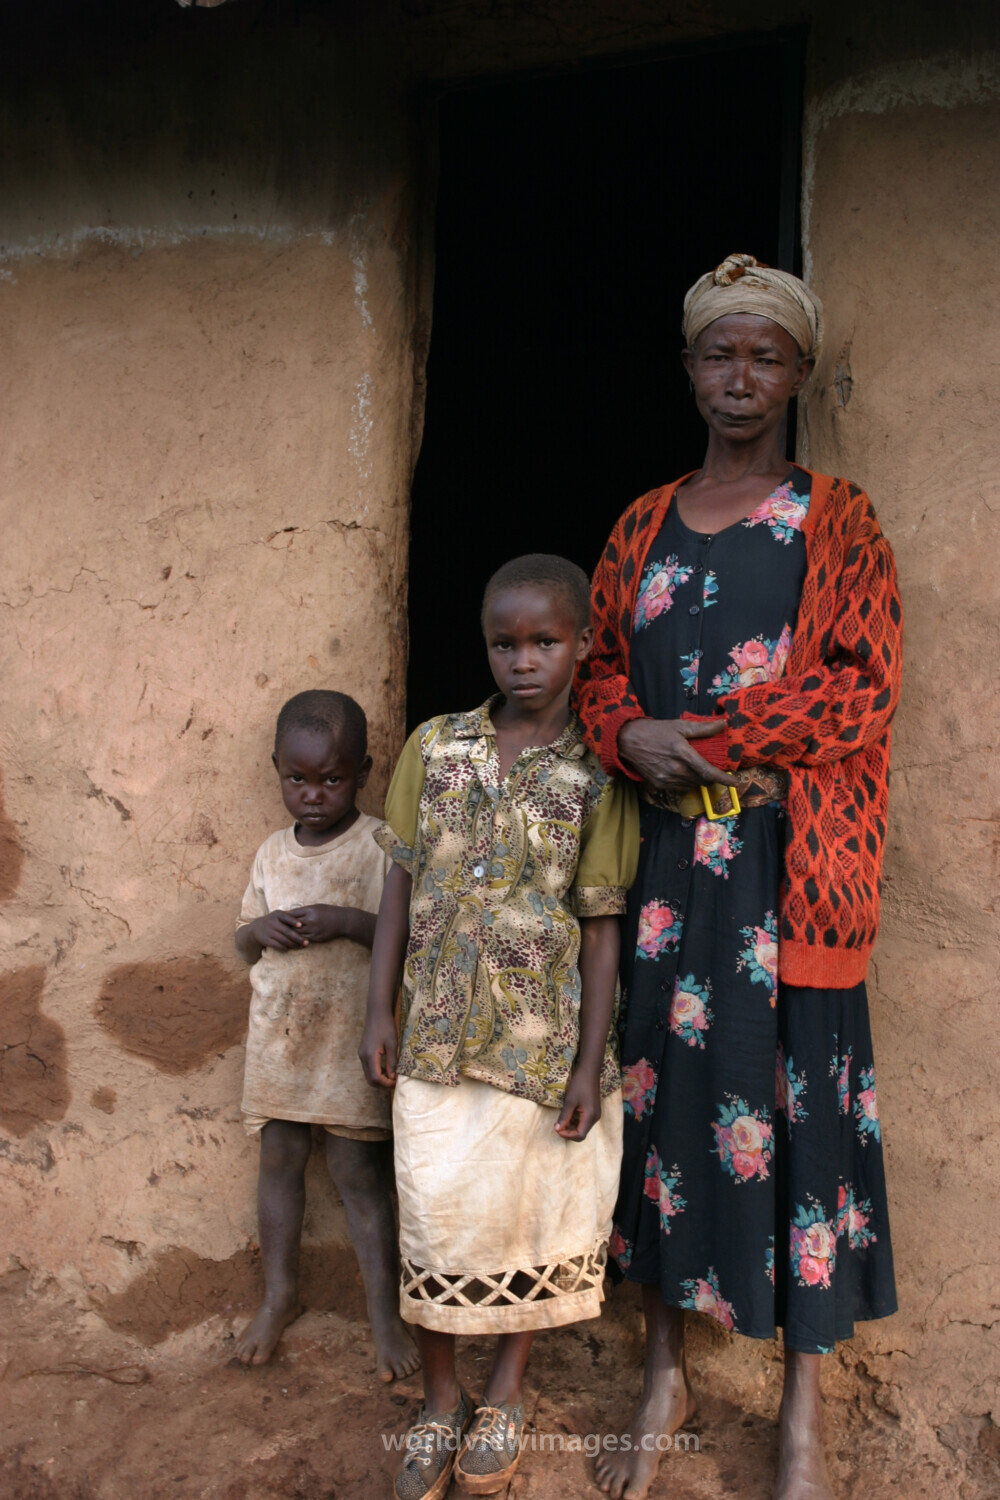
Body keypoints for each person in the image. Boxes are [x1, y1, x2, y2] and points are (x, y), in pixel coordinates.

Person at [574, 255, 902, 1500]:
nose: (740, 377)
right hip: (670, 871)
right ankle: (664, 1369)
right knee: (665, 1100)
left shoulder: (839, 519)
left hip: (787, 865)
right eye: (720, 353)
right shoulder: (638, 523)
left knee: (797, 1108)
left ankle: (801, 1414)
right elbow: (598, 665)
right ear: (690, 368)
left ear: (800, 374)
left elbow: (857, 687)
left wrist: (702, 738)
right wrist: (623, 735)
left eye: (766, 356)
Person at [360, 555, 638, 1499]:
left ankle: (507, 1390)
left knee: (523, 1219)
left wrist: (591, 1064)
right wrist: (378, 1007)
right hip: (435, 1033)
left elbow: (600, 925)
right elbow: (397, 884)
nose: (523, 661)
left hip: (541, 1039)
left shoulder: (597, 774)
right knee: (434, 1215)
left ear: (583, 644)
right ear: (484, 645)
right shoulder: (435, 747)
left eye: (545, 642)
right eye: (505, 643)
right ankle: (441, 1400)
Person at [233, 689, 419, 1383]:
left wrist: (345, 921)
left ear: (365, 772)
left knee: (356, 1175)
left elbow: (403, 937)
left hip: (348, 1042)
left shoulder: (378, 847)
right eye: (298, 779)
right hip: (281, 1042)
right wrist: (261, 930)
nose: (314, 795)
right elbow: (243, 939)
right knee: (278, 1162)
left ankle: (382, 1312)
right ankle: (279, 1295)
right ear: (277, 769)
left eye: (332, 779)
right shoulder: (270, 853)